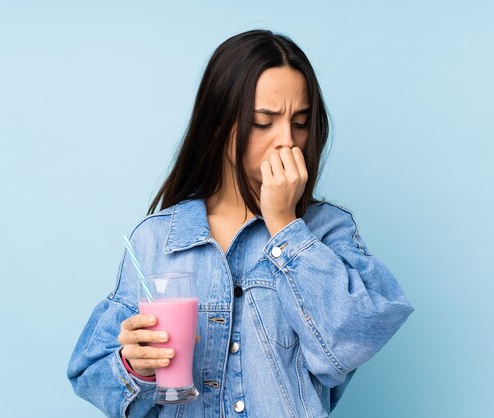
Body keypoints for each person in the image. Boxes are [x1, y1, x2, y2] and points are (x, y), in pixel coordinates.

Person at [67, 29, 414, 418]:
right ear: (218, 126)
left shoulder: (326, 232)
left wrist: (284, 225)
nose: (287, 141)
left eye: (299, 123)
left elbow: (353, 339)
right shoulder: (158, 240)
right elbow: (88, 372)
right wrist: (134, 366)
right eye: (264, 122)